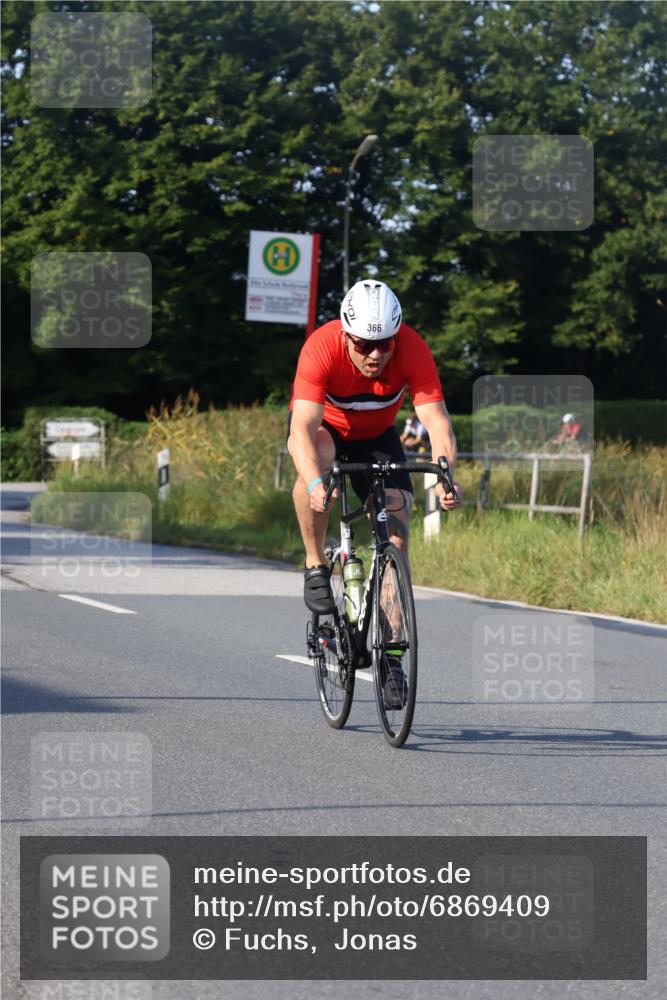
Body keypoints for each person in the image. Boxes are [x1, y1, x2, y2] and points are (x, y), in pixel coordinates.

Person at [287, 278, 461, 707]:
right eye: (364, 344)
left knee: (397, 529)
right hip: (329, 432)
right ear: (346, 335)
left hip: (379, 435)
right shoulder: (321, 347)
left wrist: (446, 474)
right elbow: (300, 434)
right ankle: (314, 563)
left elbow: (437, 422)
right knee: (320, 457)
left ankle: (391, 661)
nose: (376, 354)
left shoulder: (413, 349)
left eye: (384, 344)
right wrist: (314, 484)